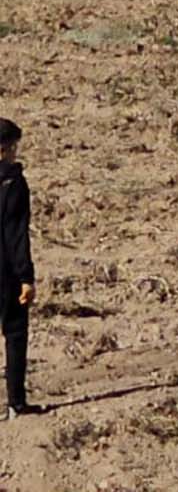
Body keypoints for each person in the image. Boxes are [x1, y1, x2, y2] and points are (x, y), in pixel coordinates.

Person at [0, 119, 34, 420]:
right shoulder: (14, 183)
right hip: (6, 272)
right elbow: (17, 235)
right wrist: (26, 277)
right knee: (15, 333)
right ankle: (16, 403)